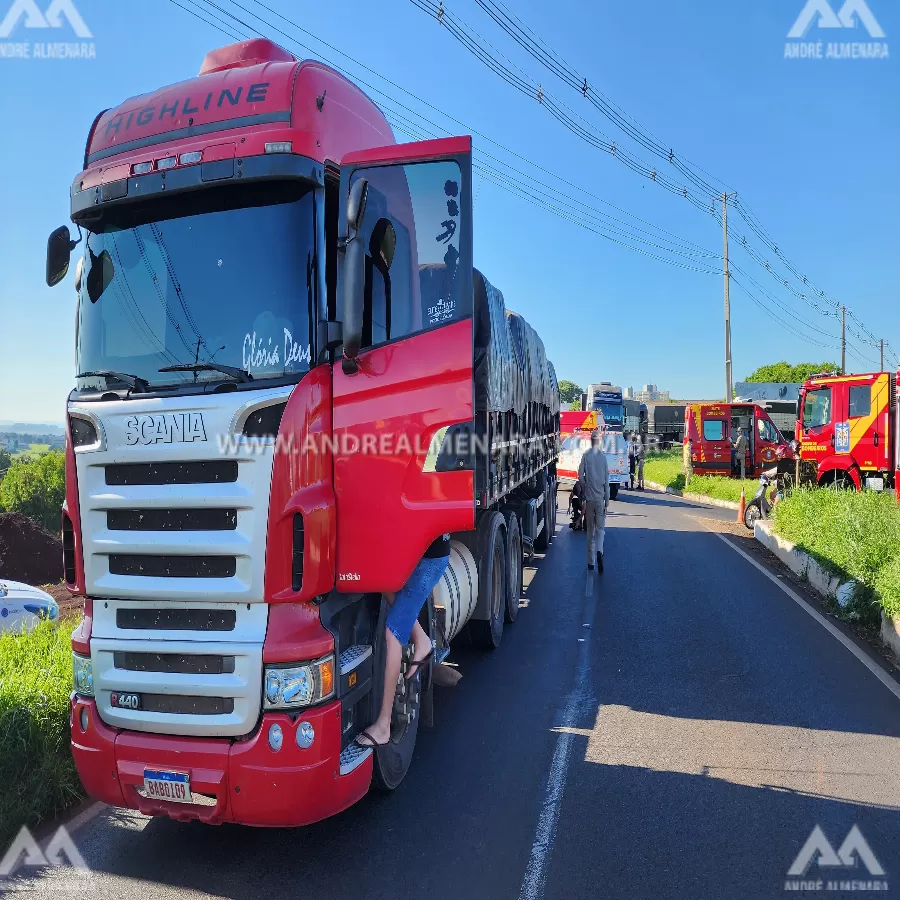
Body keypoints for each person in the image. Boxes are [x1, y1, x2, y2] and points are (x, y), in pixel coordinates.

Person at [356, 535, 449, 749]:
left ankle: (383, 726)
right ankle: (422, 640)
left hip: (429, 560)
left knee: (392, 634)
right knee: (377, 579)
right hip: (425, 552)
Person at [577, 429, 610, 572]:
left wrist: (585, 486)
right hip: (600, 499)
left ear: (591, 440)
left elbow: (580, 475)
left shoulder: (586, 455)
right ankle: (600, 551)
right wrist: (607, 502)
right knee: (600, 529)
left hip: (589, 499)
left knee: (590, 532)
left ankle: (591, 563)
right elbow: (607, 482)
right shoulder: (603, 458)